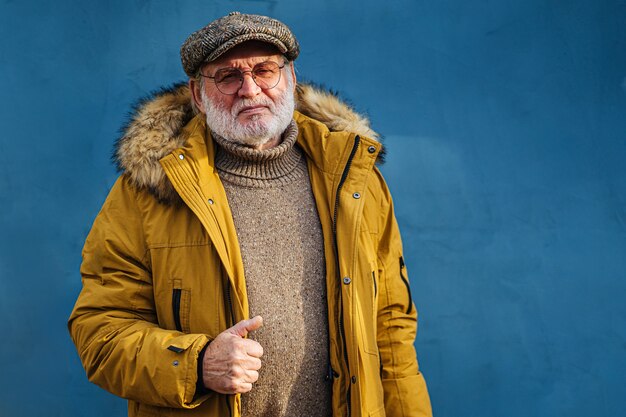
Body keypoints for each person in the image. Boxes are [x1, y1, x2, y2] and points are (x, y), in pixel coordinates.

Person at [68, 11, 432, 417]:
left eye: (264, 70)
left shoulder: (354, 181)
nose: (250, 89)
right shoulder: (148, 192)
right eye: (227, 76)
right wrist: (196, 364)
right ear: (198, 95)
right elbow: (99, 329)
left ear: (290, 79)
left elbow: (392, 332)